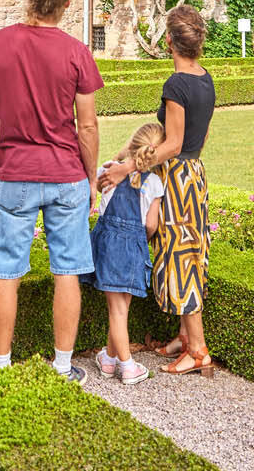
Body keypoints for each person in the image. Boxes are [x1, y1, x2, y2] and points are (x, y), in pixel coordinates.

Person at [0, 0, 102, 383]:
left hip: (14, 174)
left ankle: (2, 368)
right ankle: (63, 367)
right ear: (66, 3)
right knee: (67, 271)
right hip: (65, 176)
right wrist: (90, 178)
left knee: (7, 272)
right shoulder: (76, 52)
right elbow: (87, 126)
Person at [98, 4, 216, 375]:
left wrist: (126, 167)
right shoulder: (205, 78)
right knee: (193, 252)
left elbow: (173, 143)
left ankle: (198, 351)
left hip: (178, 176)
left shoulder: (176, 84)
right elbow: (200, 137)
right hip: (196, 173)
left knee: (180, 258)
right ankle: (184, 336)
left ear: (169, 41)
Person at [90, 121, 165, 386]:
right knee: (122, 309)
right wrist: (139, 241)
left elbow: (96, 186)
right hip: (134, 246)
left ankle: (115, 361)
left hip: (109, 246)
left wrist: (120, 156)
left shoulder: (109, 170)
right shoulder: (154, 182)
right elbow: (151, 225)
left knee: (117, 310)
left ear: (132, 145)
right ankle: (122, 363)